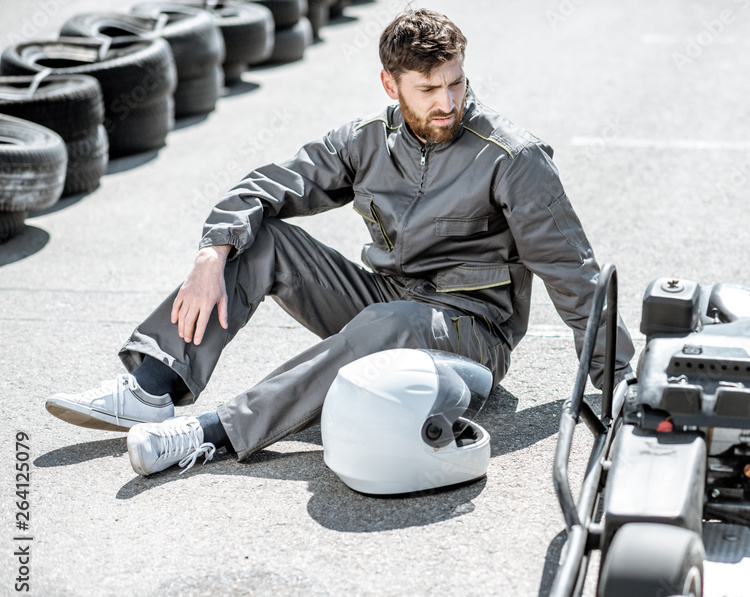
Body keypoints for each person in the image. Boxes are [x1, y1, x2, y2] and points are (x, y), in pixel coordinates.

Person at [45, 9, 635, 476]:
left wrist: (623, 381)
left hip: (471, 332)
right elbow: (270, 185)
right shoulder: (364, 142)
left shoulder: (512, 158)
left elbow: (572, 272)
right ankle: (153, 386)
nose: (447, 102)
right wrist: (212, 251)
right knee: (258, 241)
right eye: (428, 88)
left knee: (388, 324)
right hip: (384, 300)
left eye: (456, 83)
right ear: (390, 83)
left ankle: (214, 433)